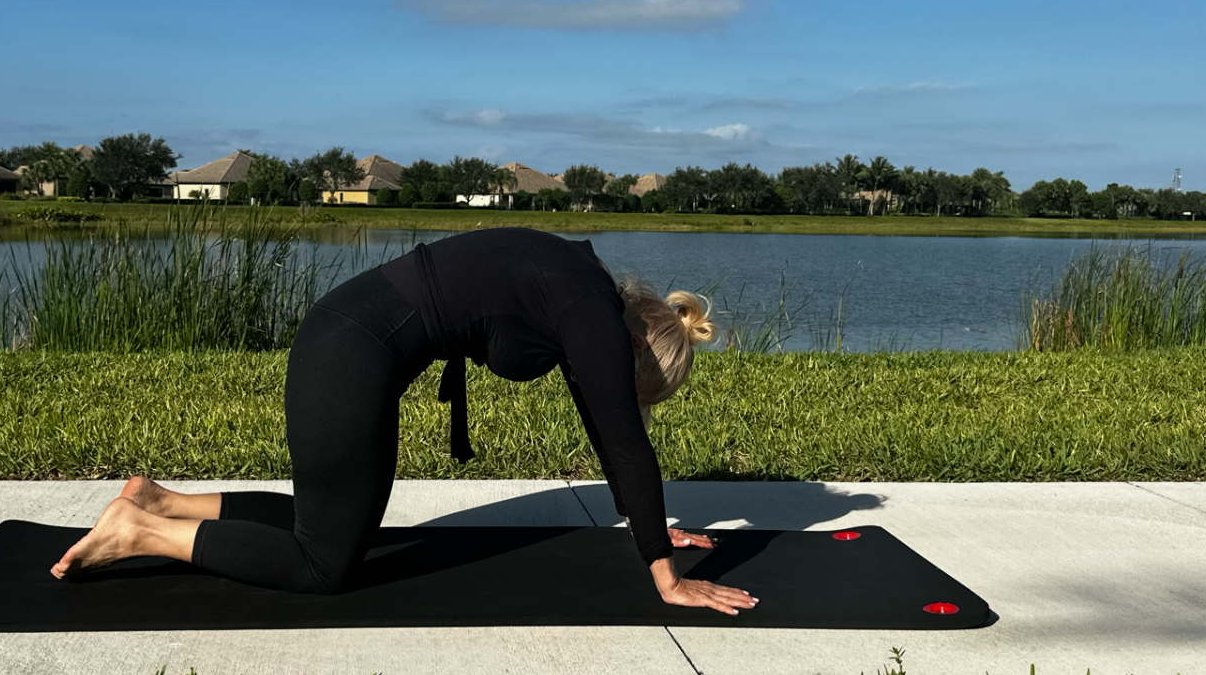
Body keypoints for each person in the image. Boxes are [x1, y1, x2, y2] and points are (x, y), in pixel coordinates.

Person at [51, 226, 759, 616]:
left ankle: (160, 500)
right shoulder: (592, 316)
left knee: (332, 525)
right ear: (639, 345)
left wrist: (645, 524)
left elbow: (605, 428)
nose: (623, 395)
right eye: (639, 388)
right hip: (350, 354)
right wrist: (664, 576)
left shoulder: (580, 283)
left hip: (346, 340)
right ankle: (139, 531)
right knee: (323, 565)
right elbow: (625, 441)